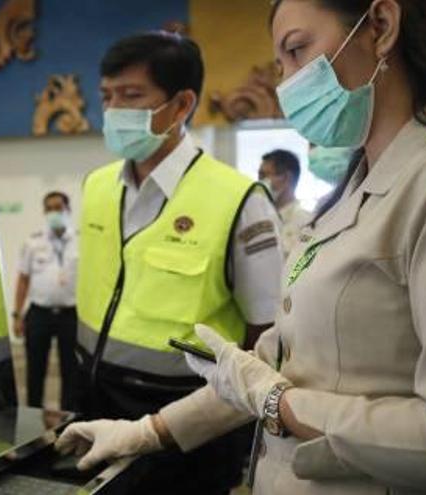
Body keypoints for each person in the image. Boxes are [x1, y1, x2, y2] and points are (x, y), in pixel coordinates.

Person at [56, 1, 426, 493]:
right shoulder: (355, 188)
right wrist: (146, 431)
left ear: (380, 26)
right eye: (280, 64)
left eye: (297, 50)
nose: (287, 82)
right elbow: (269, 367)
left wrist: (279, 403)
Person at [73, 32, 284, 493]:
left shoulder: (238, 200)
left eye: (131, 96)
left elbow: (265, 335)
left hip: (186, 429)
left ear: (181, 104)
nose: (113, 111)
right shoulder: (96, 186)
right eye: (107, 96)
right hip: (93, 402)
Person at [12, 191, 78, 411]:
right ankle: (33, 417)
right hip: (39, 313)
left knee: (72, 370)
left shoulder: (80, 241)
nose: (53, 213)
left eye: (58, 207)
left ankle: (68, 419)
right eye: (49, 208)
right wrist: (16, 314)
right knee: (35, 370)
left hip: (71, 315)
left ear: (68, 210)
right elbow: (23, 279)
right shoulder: (33, 242)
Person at [258, 149, 312, 256]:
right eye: (260, 176)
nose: (260, 182)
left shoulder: (306, 222)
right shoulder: (260, 218)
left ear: (287, 178)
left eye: (264, 175)